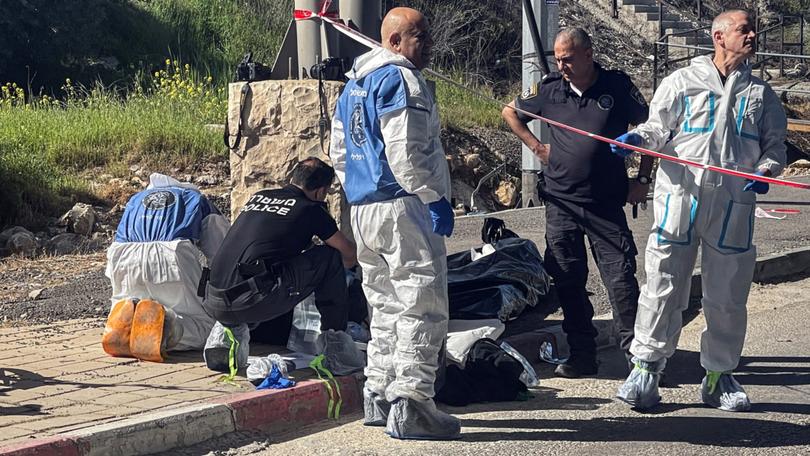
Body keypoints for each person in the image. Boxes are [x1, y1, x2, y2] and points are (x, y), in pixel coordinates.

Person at [612, 9, 787, 411]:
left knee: (727, 293)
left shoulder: (760, 94)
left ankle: (718, 376)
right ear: (718, 35)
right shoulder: (682, 82)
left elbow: (775, 146)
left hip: (732, 204)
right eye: (744, 29)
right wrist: (636, 138)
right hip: (681, 197)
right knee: (662, 284)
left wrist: (765, 170)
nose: (753, 35)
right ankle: (646, 369)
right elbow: (657, 128)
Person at [329, 7, 459, 441]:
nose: (428, 44)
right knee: (422, 301)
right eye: (418, 36)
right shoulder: (401, 80)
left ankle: (379, 392)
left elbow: (341, 154)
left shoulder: (353, 88)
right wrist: (433, 197)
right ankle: (415, 401)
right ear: (394, 41)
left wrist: (359, 195)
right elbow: (407, 151)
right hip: (404, 206)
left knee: (383, 304)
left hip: (365, 209)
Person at [501, 27, 653, 378]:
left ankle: (638, 361)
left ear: (588, 54)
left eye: (567, 58)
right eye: (557, 57)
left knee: (621, 280)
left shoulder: (616, 86)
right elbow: (509, 112)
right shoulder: (549, 88)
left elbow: (651, 129)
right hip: (561, 202)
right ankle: (582, 354)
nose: (561, 64)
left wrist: (643, 180)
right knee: (568, 279)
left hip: (605, 203)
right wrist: (537, 147)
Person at [202, 157, 357, 342]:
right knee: (329, 256)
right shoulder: (310, 209)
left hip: (213, 299)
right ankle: (336, 343)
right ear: (321, 191)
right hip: (249, 303)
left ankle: (251, 337)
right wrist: (347, 273)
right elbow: (348, 254)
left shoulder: (259, 197)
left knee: (271, 269)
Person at [104, 173, 229, 359]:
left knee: (128, 302)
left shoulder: (135, 200)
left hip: (123, 256)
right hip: (171, 254)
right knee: (206, 329)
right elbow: (222, 252)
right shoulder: (196, 200)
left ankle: (122, 327)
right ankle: (167, 328)